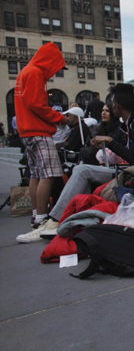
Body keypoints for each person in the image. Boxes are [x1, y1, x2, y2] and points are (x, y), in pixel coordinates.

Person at [17, 83, 134, 243]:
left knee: (82, 171)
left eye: (111, 105)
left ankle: (54, 221)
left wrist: (109, 141)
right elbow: (124, 153)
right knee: (82, 171)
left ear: (117, 107)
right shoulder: (127, 125)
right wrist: (104, 145)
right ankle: (69, 222)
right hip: (129, 170)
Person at [13, 42, 68, 242]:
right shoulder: (35, 73)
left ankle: (37, 216)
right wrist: (60, 118)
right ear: (50, 61)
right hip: (38, 131)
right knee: (49, 174)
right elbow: (37, 104)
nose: (54, 73)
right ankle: (43, 219)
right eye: (56, 67)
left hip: (27, 131)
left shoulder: (25, 72)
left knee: (36, 173)